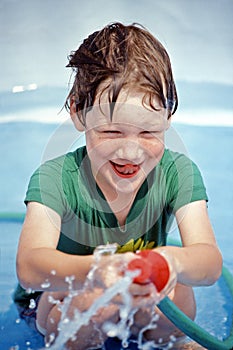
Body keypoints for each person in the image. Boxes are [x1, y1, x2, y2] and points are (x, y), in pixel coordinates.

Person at [14, 22, 222, 349]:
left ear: (168, 117)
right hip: (54, 306)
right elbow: (29, 267)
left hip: (138, 297)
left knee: (178, 296)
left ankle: (168, 341)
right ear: (78, 113)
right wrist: (98, 271)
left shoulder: (179, 172)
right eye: (111, 132)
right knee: (87, 302)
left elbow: (209, 263)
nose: (130, 151)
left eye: (148, 132)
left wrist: (170, 262)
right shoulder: (55, 178)